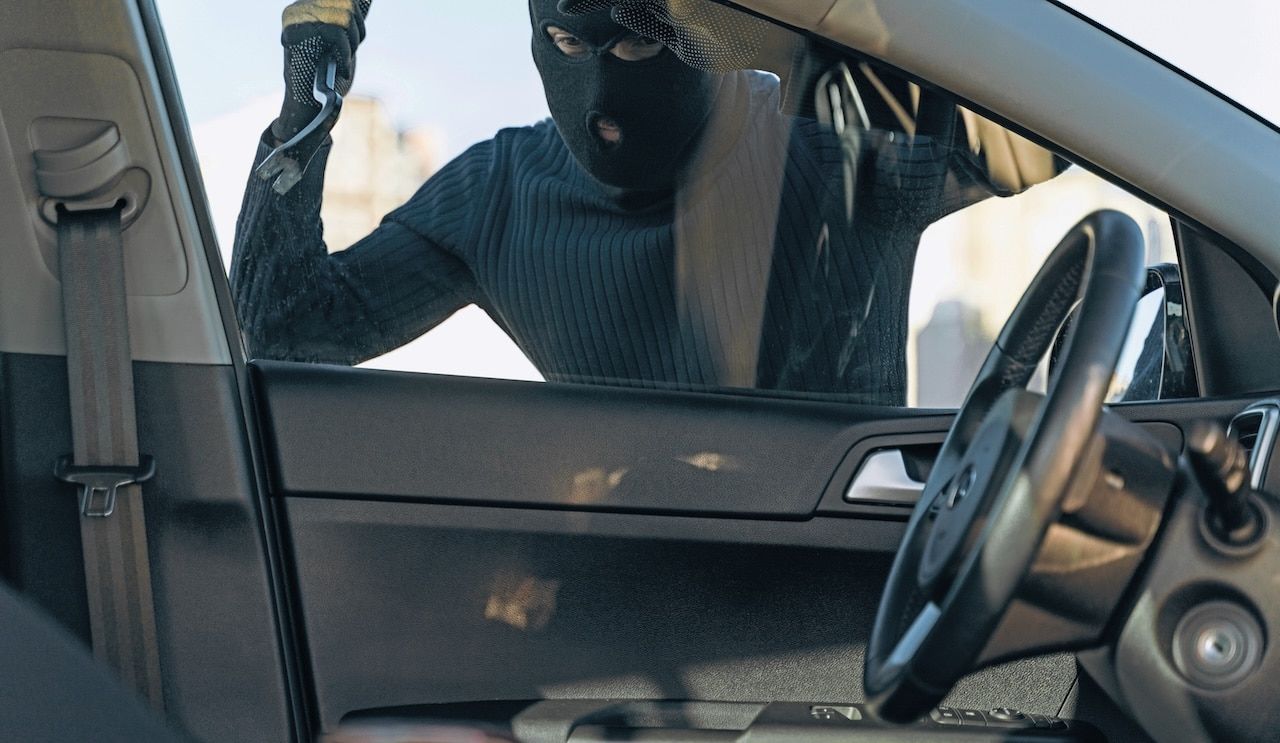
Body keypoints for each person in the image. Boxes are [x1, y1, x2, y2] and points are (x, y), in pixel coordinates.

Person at [232, 0, 1054, 405]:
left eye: (634, 42)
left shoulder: (832, 144)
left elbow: (1043, 130)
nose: (598, 90)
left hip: (839, 614)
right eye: (563, 44)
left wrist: (796, 35)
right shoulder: (501, 191)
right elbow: (287, 326)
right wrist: (313, 76)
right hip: (634, 628)